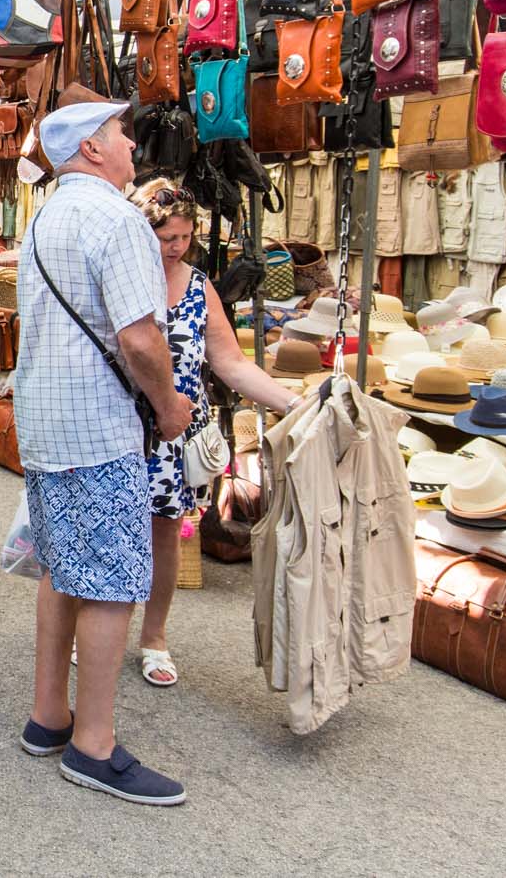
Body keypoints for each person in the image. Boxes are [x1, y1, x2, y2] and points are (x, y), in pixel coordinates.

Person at [11, 101, 191, 806]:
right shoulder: (118, 219)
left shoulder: (46, 216)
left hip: (47, 422)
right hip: (98, 427)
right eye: (120, 132)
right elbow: (141, 339)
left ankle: (48, 714)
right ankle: (94, 744)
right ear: (91, 146)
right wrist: (171, 405)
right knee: (113, 580)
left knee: (61, 568)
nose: (131, 140)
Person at [128, 179, 300, 689]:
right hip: (119, 422)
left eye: (183, 236)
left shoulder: (200, 286)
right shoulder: (121, 278)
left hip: (176, 430)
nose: (175, 246)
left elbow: (230, 364)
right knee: (106, 528)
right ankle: (83, 629)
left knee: (164, 536)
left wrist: (293, 403)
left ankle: (154, 637)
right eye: (165, 237)